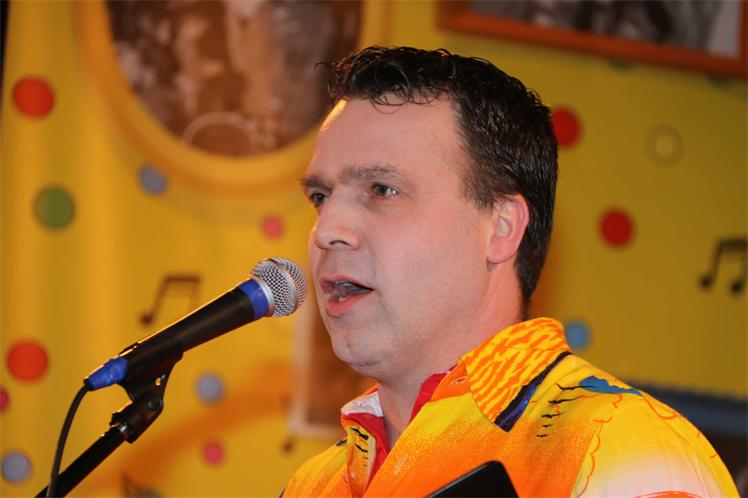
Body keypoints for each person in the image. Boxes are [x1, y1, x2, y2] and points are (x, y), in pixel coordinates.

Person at [286, 46, 737, 497]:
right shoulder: (313, 485)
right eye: (321, 198)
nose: (327, 231)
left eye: (382, 190)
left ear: (501, 227)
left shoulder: (625, 453)